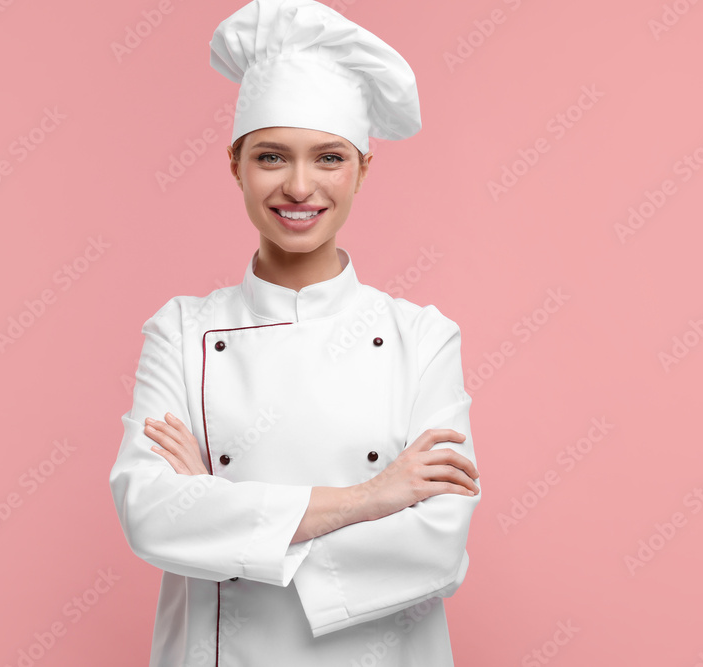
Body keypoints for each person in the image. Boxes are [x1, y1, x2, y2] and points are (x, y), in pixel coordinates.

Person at [109, 1, 481, 665]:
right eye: (272, 156)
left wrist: (220, 520)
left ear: (363, 169)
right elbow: (150, 512)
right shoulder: (181, 331)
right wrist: (371, 498)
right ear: (235, 163)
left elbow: (437, 542)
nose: (299, 185)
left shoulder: (422, 338)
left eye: (330, 157)